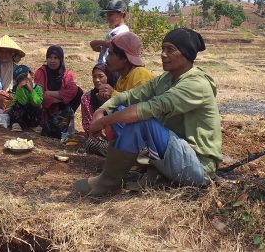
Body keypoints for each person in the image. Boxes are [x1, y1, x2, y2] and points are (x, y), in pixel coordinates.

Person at [73, 28, 221, 196]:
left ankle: (109, 182)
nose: (163, 54)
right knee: (121, 110)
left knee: (142, 120)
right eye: (163, 49)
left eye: (170, 50)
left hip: (198, 167)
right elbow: (130, 95)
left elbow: (147, 108)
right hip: (174, 153)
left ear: (186, 54)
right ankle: (109, 177)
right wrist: (102, 109)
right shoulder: (167, 78)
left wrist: (103, 122)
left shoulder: (195, 84)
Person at [34, 45, 83, 139]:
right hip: (44, 110)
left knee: (79, 92)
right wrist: (62, 97)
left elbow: (73, 91)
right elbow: (40, 95)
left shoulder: (66, 73)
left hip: (62, 108)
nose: (52, 61)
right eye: (49, 57)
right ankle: (49, 124)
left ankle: (63, 122)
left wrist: (49, 93)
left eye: (56, 58)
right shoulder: (41, 72)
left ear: (61, 59)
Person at [96, 31, 154, 104]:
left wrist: (113, 95)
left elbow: (141, 108)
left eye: (111, 54)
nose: (107, 59)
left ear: (125, 58)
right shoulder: (122, 78)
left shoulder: (140, 75)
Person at [79, 63, 117, 156]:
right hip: (97, 137)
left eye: (101, 76)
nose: (97, 80)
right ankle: (115, 153)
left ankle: (115, 152)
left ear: (109, 76)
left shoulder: (117, 94)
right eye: (94, 77)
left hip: (115, 136)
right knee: (90, 144)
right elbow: (87, 124)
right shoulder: (87, 97)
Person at [89, 0, 129, 64]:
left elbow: (114, 46)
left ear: (122, 15)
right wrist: (100, 47)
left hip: (110, 66)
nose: (108, 17)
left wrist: (97, 42)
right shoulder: (116, 30)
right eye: (107, 15)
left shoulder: (123, 30)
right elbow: (108, 49)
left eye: (110, 15)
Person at [9, 65, 43, 132]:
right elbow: (22, 102)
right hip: (20, 114)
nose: (24, 80)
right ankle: (16, 123)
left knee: (38, 106)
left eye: (25, 76)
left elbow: (37, 102)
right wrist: (20, 89)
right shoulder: (19, 89)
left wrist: (31, 90)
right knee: (17, 104)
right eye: (21, 79)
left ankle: (34, 124)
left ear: (32, 75)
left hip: (31, 114)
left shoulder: (38, 88)